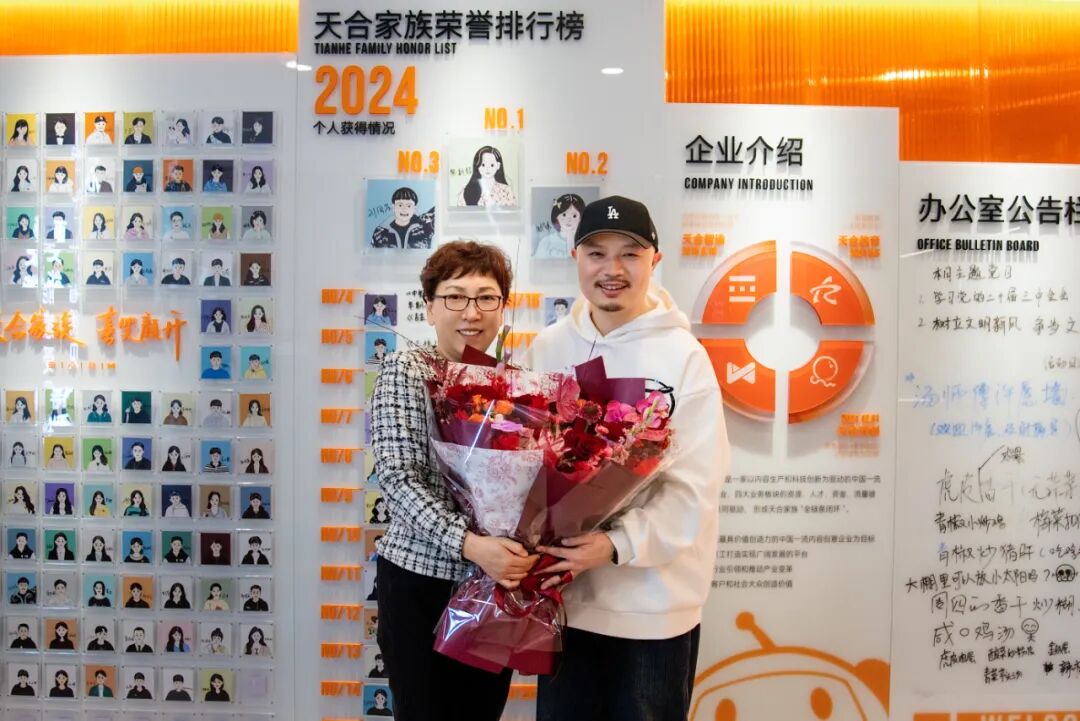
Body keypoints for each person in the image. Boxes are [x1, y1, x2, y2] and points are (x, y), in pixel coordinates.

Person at [520, 196, 730, 721]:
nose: (612, 269)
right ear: (575, 256)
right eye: (597, 253)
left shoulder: (685, 357)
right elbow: (518, 464)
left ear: (655, 261)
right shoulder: (546, 349)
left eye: (629, 254)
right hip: (562, 605)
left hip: (652, 611)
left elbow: (696, 486)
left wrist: (616, 544)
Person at [371, 240, 529, 720]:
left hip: (491, 587)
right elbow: (398, 478)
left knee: (482, 713)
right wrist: (472, 545)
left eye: (486, 297)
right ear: (429, 306)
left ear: (503, 306)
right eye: (455, 297)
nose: (471, 312)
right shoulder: (405, 370)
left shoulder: (516, 384)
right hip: (421, 584)